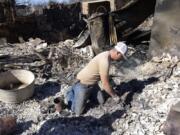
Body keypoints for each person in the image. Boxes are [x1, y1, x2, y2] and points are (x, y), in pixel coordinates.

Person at [63, 42, 128, 116]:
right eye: (122, 57)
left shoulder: (107, 54)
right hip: (82, 84)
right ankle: (70, 92)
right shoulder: (105, 61)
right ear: (118, 53)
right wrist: (115, 96)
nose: (121, 59)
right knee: (77, 112)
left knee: (101, 101)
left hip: (92, 84)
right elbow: (105, 84)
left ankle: (86, 95)